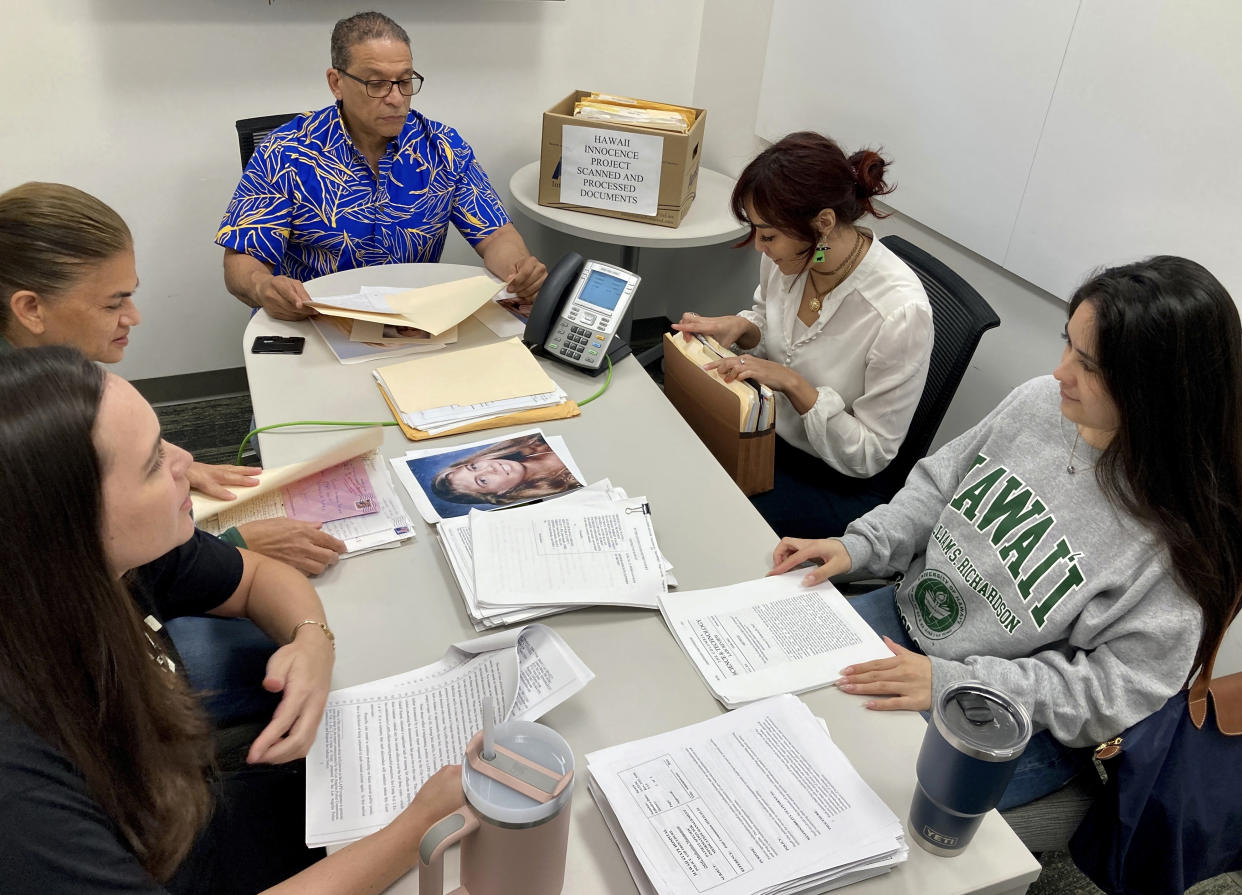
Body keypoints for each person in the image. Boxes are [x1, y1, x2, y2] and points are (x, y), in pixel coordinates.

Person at [768, 256, 1242, 809]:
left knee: (842, 803)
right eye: (1069, 343)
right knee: (767, 713)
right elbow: (938, 485)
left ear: (1158, 393)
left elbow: (1116, 688)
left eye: (1090, 366)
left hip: (1005, 712)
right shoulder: (1041, 401)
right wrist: (860, 546)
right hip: (906, 623)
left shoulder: (1179, 537)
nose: (1062, 371)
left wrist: (954, 683)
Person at [0, 346, 461, 894]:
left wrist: (311, 639)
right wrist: (417, 828)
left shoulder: (109, 559)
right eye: (152, 464)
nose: (183, 461)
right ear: (68, 525)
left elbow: (256, 578)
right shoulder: (21, 782)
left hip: (181, 810)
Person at [0, 180, 346, 724]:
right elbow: (90, 580)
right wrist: (228, 541)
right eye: (114, 302)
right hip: (81, 668)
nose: (134, 316)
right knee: (252, 653)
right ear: (30, 308)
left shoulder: (52, 382)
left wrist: (159, 460)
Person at [673, 132, 933, 539]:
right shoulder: (791, 260)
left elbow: (870, 454)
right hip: (764, 435)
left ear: (822, 224)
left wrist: (794, 385)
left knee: (703, 513)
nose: (759, 246)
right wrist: (742, 328)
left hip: (835, 479)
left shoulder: (898, 314)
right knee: (677, 458)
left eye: (769, 235)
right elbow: (771, 323)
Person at [216, 10, 547, 321]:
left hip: (411, 322)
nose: (396, 98)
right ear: (336, 82)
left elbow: (496, 234)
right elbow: (242, 260)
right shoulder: (286, 152)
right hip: (316, 320)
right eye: (376, 84)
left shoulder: (442, 147)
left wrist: (519, 270)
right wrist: (263, 287)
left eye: (404, 82)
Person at [431, 433, 579, 506]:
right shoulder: (564, 489)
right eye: (482, 480)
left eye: (474, 467)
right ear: (499, 492)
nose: (490, 469)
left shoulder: (531, 439)